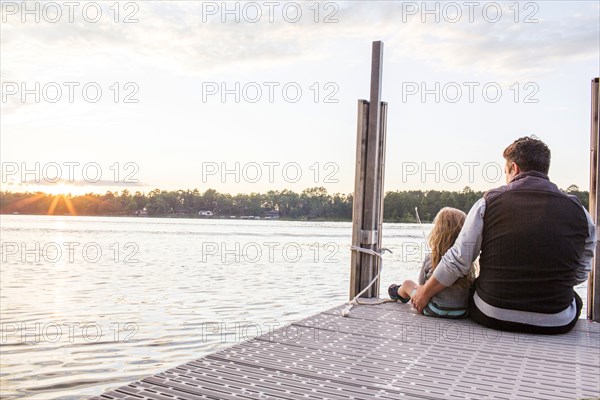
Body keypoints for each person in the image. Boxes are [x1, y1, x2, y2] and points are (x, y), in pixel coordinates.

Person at [411, 136, 596, 334]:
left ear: (513, 168)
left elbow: (458, 260)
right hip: (556, 320)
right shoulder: (581, 213)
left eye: (506, 172)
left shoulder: (488, 202)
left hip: (492, 314)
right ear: (545, 169)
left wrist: (424, 292)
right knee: (574, 298)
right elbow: (580, 272)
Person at [388, 207, 477, 318]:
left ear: (437, 233)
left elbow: (421, 285)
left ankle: (398, 293)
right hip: (462, 311)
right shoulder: (466, 261)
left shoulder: (430, 258)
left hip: (434, 309)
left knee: (407, 284)